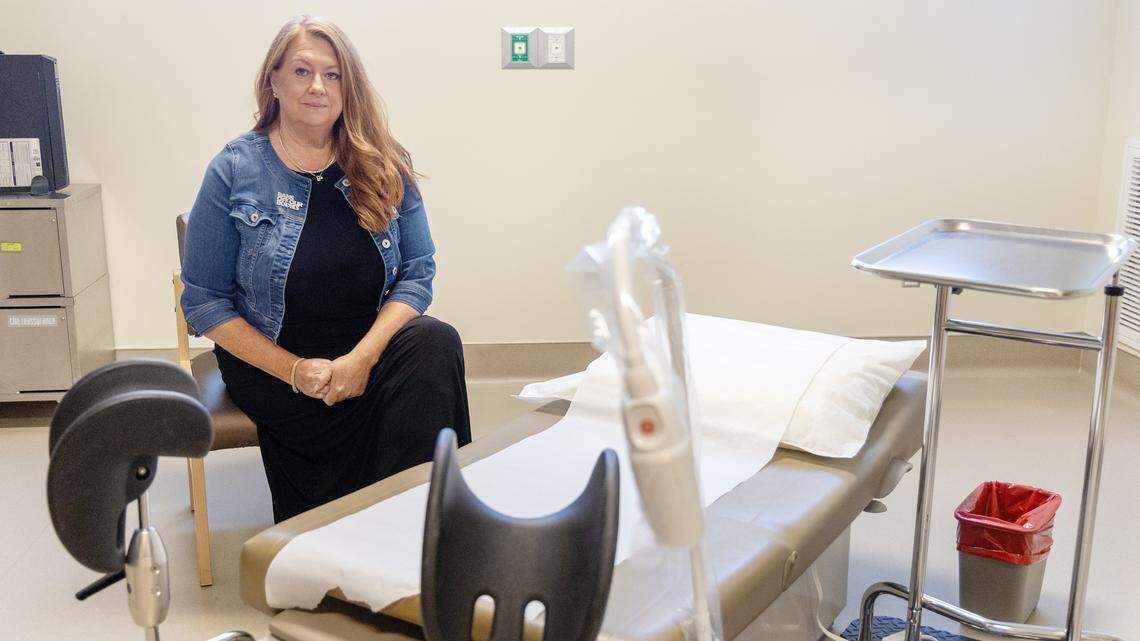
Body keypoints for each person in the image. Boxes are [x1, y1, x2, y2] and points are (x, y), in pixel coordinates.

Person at [180, 15, 471, 523]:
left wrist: (360, 359)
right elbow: (204, 302)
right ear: (273, 80)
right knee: (325, 470)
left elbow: (418, 273)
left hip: (366, 351)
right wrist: (294, 370)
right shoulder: (234, 169)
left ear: (348, 86)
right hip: (273, 363)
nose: (317, 86)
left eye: (333, 75)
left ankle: (419, 528)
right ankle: (343, 537)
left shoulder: (383, 163)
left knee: (435, 342)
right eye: (301, 71)